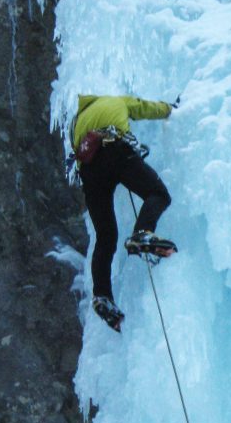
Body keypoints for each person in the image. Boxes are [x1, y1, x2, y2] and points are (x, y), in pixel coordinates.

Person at [72, 93, 178, 332]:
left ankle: (101, 295)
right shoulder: (116, 101)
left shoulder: (79, 122)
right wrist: (170, 108)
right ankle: (142, 233)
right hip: (115, 151)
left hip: (89, 173)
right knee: (158, 194)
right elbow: (144, 107)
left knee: (105, 236)